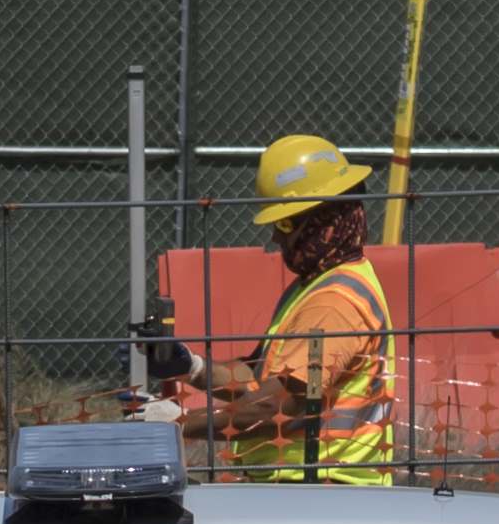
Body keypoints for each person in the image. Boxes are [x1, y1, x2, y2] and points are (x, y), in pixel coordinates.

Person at [167, 135, 401, 483]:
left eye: (286, 224)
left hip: (322, 489)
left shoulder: (333, 302)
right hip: (305, 488)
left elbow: (281, 404)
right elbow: (262, 382)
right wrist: (192, 367)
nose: (276, 238)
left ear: (323, 220)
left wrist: (176, 425)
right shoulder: (317, 284)